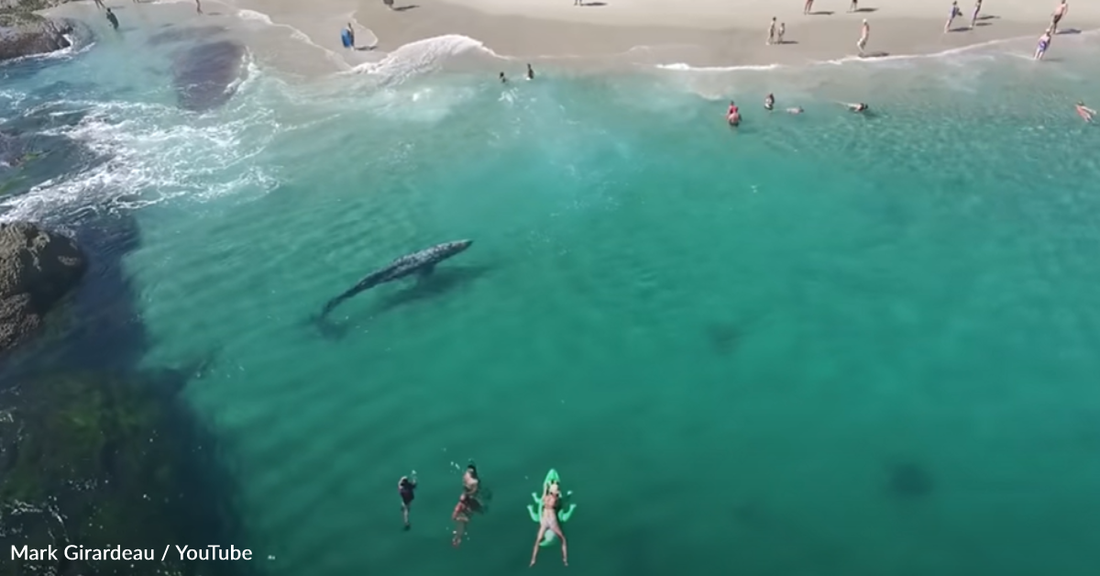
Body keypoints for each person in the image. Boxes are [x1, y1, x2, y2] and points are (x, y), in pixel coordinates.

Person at [530, 480, 568, 566]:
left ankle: (533, 560)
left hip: (544, 520)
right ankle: (565, 559)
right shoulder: (556, 498)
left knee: (537, 541)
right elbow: (559, 504)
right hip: (552, 520)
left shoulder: (545, 497)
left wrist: (546, 487)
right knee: (563, 539)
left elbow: (544, 495)